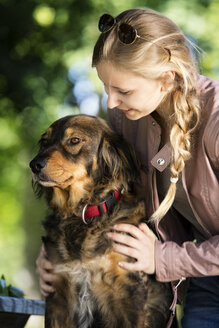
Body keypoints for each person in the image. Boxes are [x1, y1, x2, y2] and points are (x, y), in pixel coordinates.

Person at [36, 8, 219, 327]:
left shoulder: (215, 119)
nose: (110, 103)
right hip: (203, 272)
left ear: (167, 78)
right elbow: (101, 190)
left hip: (190, 260)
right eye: (106, 87)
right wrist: (57, 252)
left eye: (123, 90)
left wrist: (164, 258)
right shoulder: (126, 117)